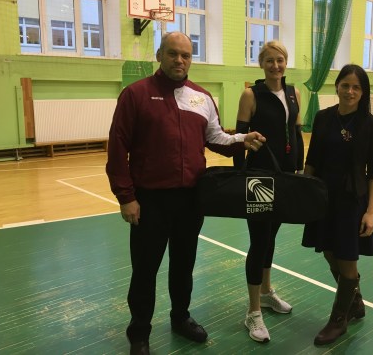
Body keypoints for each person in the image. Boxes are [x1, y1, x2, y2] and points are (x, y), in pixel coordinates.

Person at [106, 32, 266, 355]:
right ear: (159, 55)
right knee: (145, 270)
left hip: (191, 200)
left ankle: (180, 317)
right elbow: (117, 148)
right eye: (173, 54)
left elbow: (215, 137)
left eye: (186, 55)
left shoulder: (201, 97)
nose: (179, 60)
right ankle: (139, 333)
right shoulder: (135, 95)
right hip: (149, 201)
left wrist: (241, 140)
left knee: (183, 265)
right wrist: (126, 197)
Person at [301, 64, 373, 345]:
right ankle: (356, 302)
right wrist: (304, 194)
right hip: (324, 196)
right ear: (337, 86)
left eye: (356, 87)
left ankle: (339, 321)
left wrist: (370, 212)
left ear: (363, 92)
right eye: (345, 85)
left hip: (352, 201)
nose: (350, 91)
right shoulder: (323, 118)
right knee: (328, 252)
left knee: (347, 260)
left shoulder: (371, 125)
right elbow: (312, 160)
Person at [233, 41, 304, 343]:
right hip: (259, 178)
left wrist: (299, 170)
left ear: (286, 63)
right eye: (270, 61)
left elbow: (297, 134)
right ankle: (252, 312)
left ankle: (265, 292)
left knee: (271, 237)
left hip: (285, 176)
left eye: (280, 60)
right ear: (261, 64)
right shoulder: (251, 95)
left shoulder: (294, 93)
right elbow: (239, 139)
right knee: (259, 240)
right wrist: (240, 175)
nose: (276, 66)